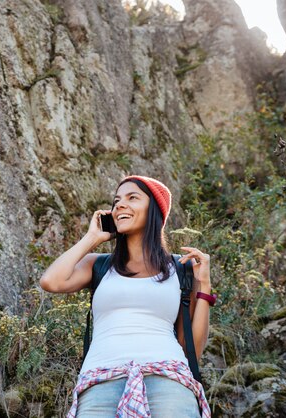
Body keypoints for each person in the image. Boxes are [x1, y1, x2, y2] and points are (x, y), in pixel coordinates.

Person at [39, 175, 213, 418]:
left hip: (167, 378)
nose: (120, 204)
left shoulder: (181, 269)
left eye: (133, 198)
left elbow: (190, 348)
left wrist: (204, 285)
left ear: (154, 210)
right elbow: (51, 281)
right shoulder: (97, 265)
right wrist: (92, 238)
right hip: (100, 378)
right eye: (117, 200)